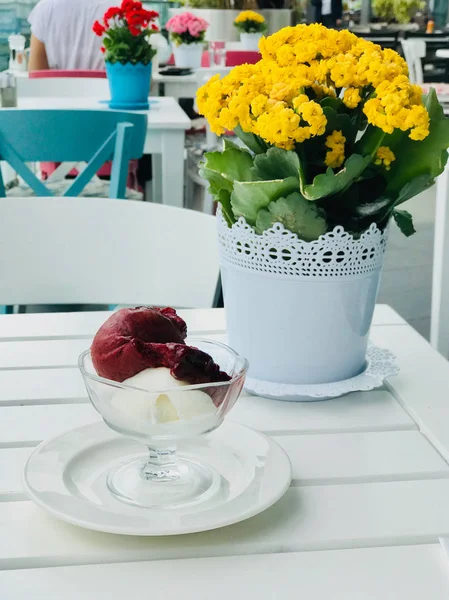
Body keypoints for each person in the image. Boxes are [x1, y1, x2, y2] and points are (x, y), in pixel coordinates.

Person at [28, 0, 113, 71]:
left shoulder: (45, 8)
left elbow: (36, 74)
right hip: (108, 90)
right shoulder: (120, 6)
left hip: (57, 90)